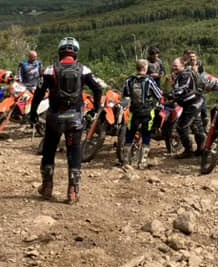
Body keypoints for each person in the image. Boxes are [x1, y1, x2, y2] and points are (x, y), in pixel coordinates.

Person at [30, 37, 104, 203]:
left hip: (55, 117)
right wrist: (94, 110)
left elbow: (38, 94)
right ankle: (73, 191)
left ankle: (47, 186)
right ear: (75, 52)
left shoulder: (50, 70)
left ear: (60, 51)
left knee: (49, 149)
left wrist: (33, 113)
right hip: (75, 117)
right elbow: (98, 89)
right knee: (74, 151)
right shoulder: (83, 69)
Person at [122, 59, 164, 168]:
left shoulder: (129, 80)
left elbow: (125, 96)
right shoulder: (149, 81)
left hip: (133, 111)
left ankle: (126, 161)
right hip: (147, 112)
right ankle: (142, 162)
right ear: (145, 68)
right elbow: (159, 94)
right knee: (146, 135)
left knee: (130, 134)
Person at [170, 57, 206, 158]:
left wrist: (171, 94)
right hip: (193, 102)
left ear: (182, 65)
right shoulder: (181, 74)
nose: (173, 68)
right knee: (196, 125)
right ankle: (201, 149)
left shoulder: (186, 74)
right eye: (173, 65)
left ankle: (189, 151)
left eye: (176, 66)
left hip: (193, 103)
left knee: (182, 126)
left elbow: (182, 88)